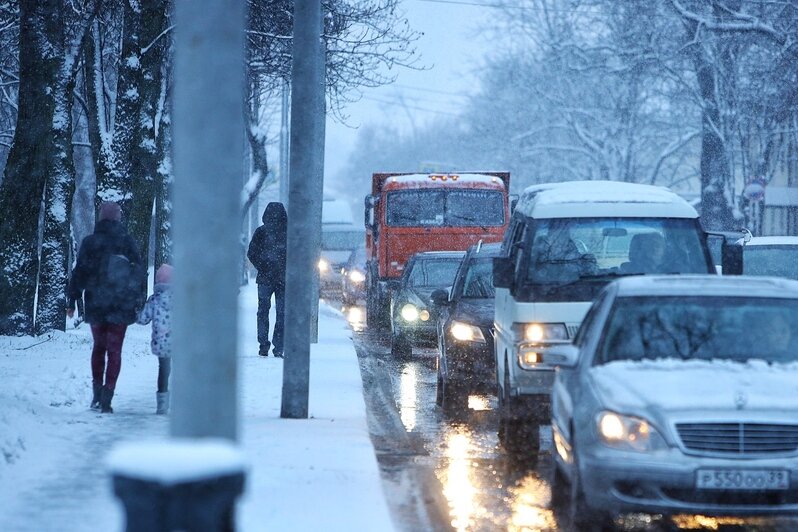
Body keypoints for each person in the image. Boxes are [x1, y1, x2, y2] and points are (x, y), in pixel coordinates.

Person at [67, 201, 143, 413]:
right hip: (120, 304)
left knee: (99, 348)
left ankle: (97, 393)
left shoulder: (90, 242)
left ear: (100, 217)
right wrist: (137, 298)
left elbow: (79, 271)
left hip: (97, 303)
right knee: (115, 350)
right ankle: (107, 397)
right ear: (118, 217)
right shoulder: (126, 242)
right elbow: (138, 272)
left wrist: (72, 299)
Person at [247, 202, 287, 358]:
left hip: (265, 278)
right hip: (283, 279)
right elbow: (296, 254)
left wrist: (262, 266)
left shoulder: (261, 232)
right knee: (282, 313)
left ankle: (263, 344)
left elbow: (251, 252)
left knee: (263, 311)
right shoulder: (288, 233)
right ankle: (278, 347)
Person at [137, 264, 174, 414]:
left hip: (162, 344)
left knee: (164, 371)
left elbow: (143, 319)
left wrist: (135, 309)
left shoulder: (154, 300)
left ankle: (162, 405)